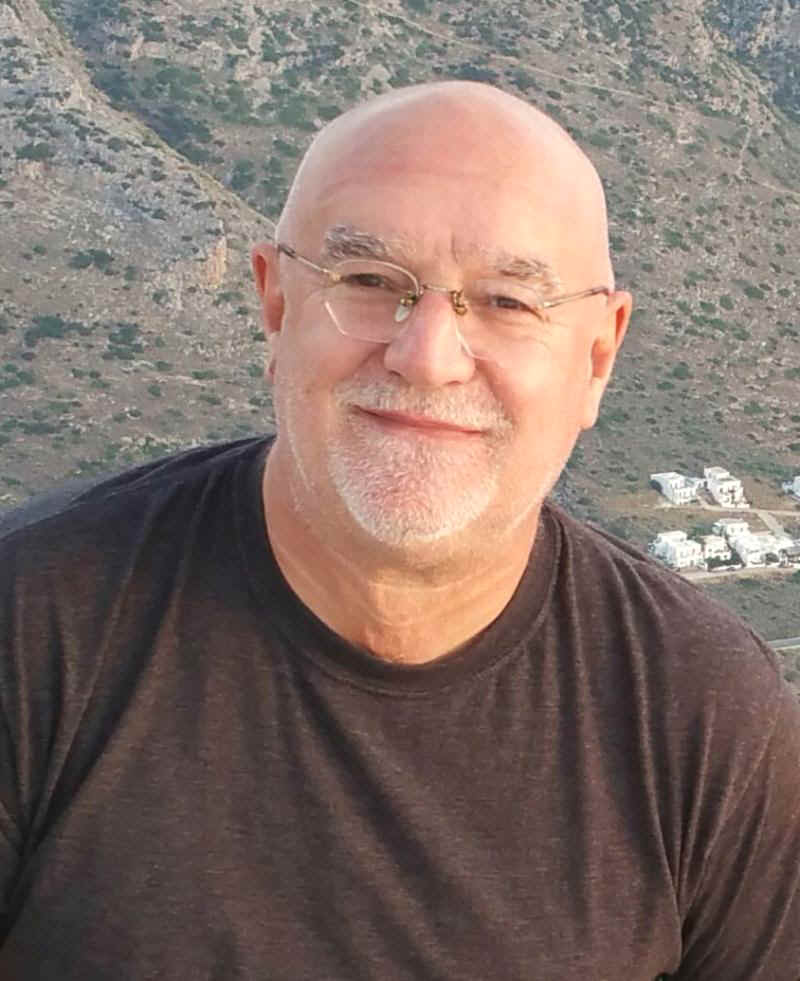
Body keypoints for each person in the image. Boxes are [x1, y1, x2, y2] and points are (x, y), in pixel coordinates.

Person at [0, 81, 798, 979]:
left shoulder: (701, 713)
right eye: (371, 283)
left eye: (506, 301)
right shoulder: (34, 635)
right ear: (275, 303)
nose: (427, 355)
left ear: (599, 355)